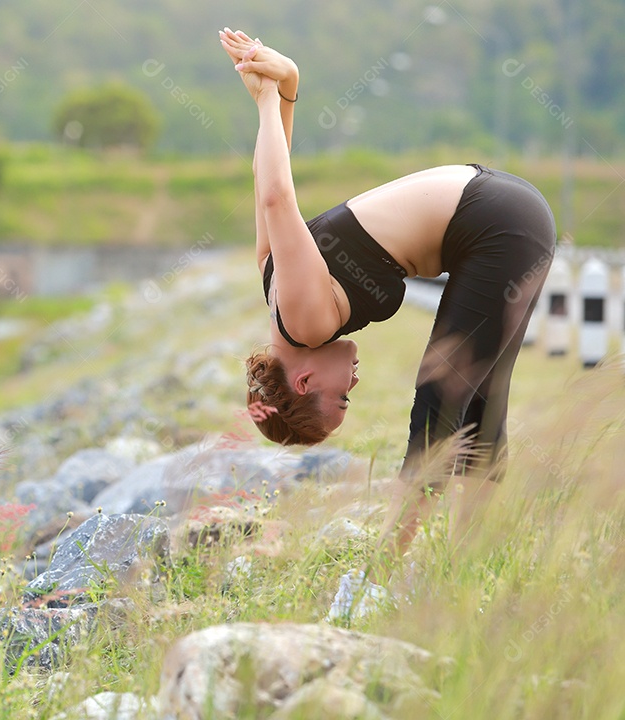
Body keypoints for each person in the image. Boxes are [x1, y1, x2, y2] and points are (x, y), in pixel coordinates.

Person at [218, 28, 556, 566]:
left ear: (304, 381)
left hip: (498, 223)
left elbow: (278, 195)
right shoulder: (272, 283)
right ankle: (470, 569)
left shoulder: (305, 322)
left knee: (441, 399)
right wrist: (286, 90)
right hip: (495, 213)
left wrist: (267, 99)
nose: (355, 383)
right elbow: (266, 176)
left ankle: (380, 574)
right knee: (481, 404)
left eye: (342, 397)